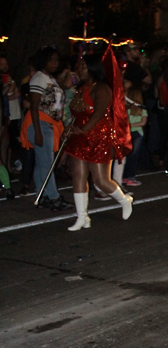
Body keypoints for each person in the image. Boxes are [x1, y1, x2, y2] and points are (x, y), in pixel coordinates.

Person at [65, 53, 133, 231]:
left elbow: (99, 112)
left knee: (101, 181)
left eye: (83, 66)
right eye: (78, 66)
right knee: (78, 176)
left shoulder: (101, 88)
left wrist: (85, 128)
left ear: (92, 67)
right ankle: (82, 217)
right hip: (79, 135)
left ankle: (125, 200)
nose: (79, 69)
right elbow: (76, 113)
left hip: (98, 137)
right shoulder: (81, 88)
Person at [20, 46, 71, 210]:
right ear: (43, 61)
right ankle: (54, 197)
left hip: (49, 124)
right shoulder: (39, 78)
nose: (55, 63)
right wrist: (38, 131)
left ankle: (41, 196)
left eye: (57, 60)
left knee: (43, 163)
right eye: (51, 60)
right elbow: (34, 106)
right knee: (48, 163)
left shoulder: (50, 79)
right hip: (40, 123)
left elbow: (68, 85)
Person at [122, 79, 148, 187]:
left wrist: (128, 126)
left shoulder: (125, 109)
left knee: (125, 157)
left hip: (127, 133)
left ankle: (123, 177)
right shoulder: (142, 109)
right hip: (137, 134)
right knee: (133, 157)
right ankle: (130, 177)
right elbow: (143, 122)